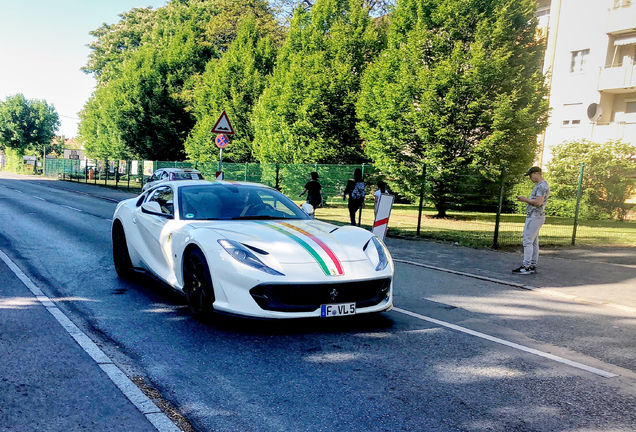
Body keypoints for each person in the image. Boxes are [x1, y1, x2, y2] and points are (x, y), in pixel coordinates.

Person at [513, 166, 550, 275]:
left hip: (535, 216)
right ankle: (532, 265)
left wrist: (525, 200)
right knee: (534, 242)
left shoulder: (542, 186)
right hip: (537, 216)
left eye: (531, 175)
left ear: (537, 173)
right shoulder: (541, 185)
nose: (530, 178)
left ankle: (526, 266)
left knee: (527, 240)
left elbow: (538, 202)